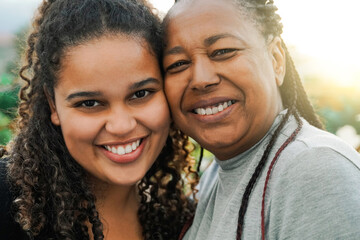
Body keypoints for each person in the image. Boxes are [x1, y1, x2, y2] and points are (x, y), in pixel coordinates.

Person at [162, 0, 360, 239]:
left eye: (223, 51)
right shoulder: (216, 175)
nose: (201, 79)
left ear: (276, 59)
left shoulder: (316, 169)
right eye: (178, 64)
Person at [0, 0, 196, 239]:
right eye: (90, 103)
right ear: (53, 105)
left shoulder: (180, 223)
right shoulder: (8, 201)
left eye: (140, 94)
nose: (122, 126)